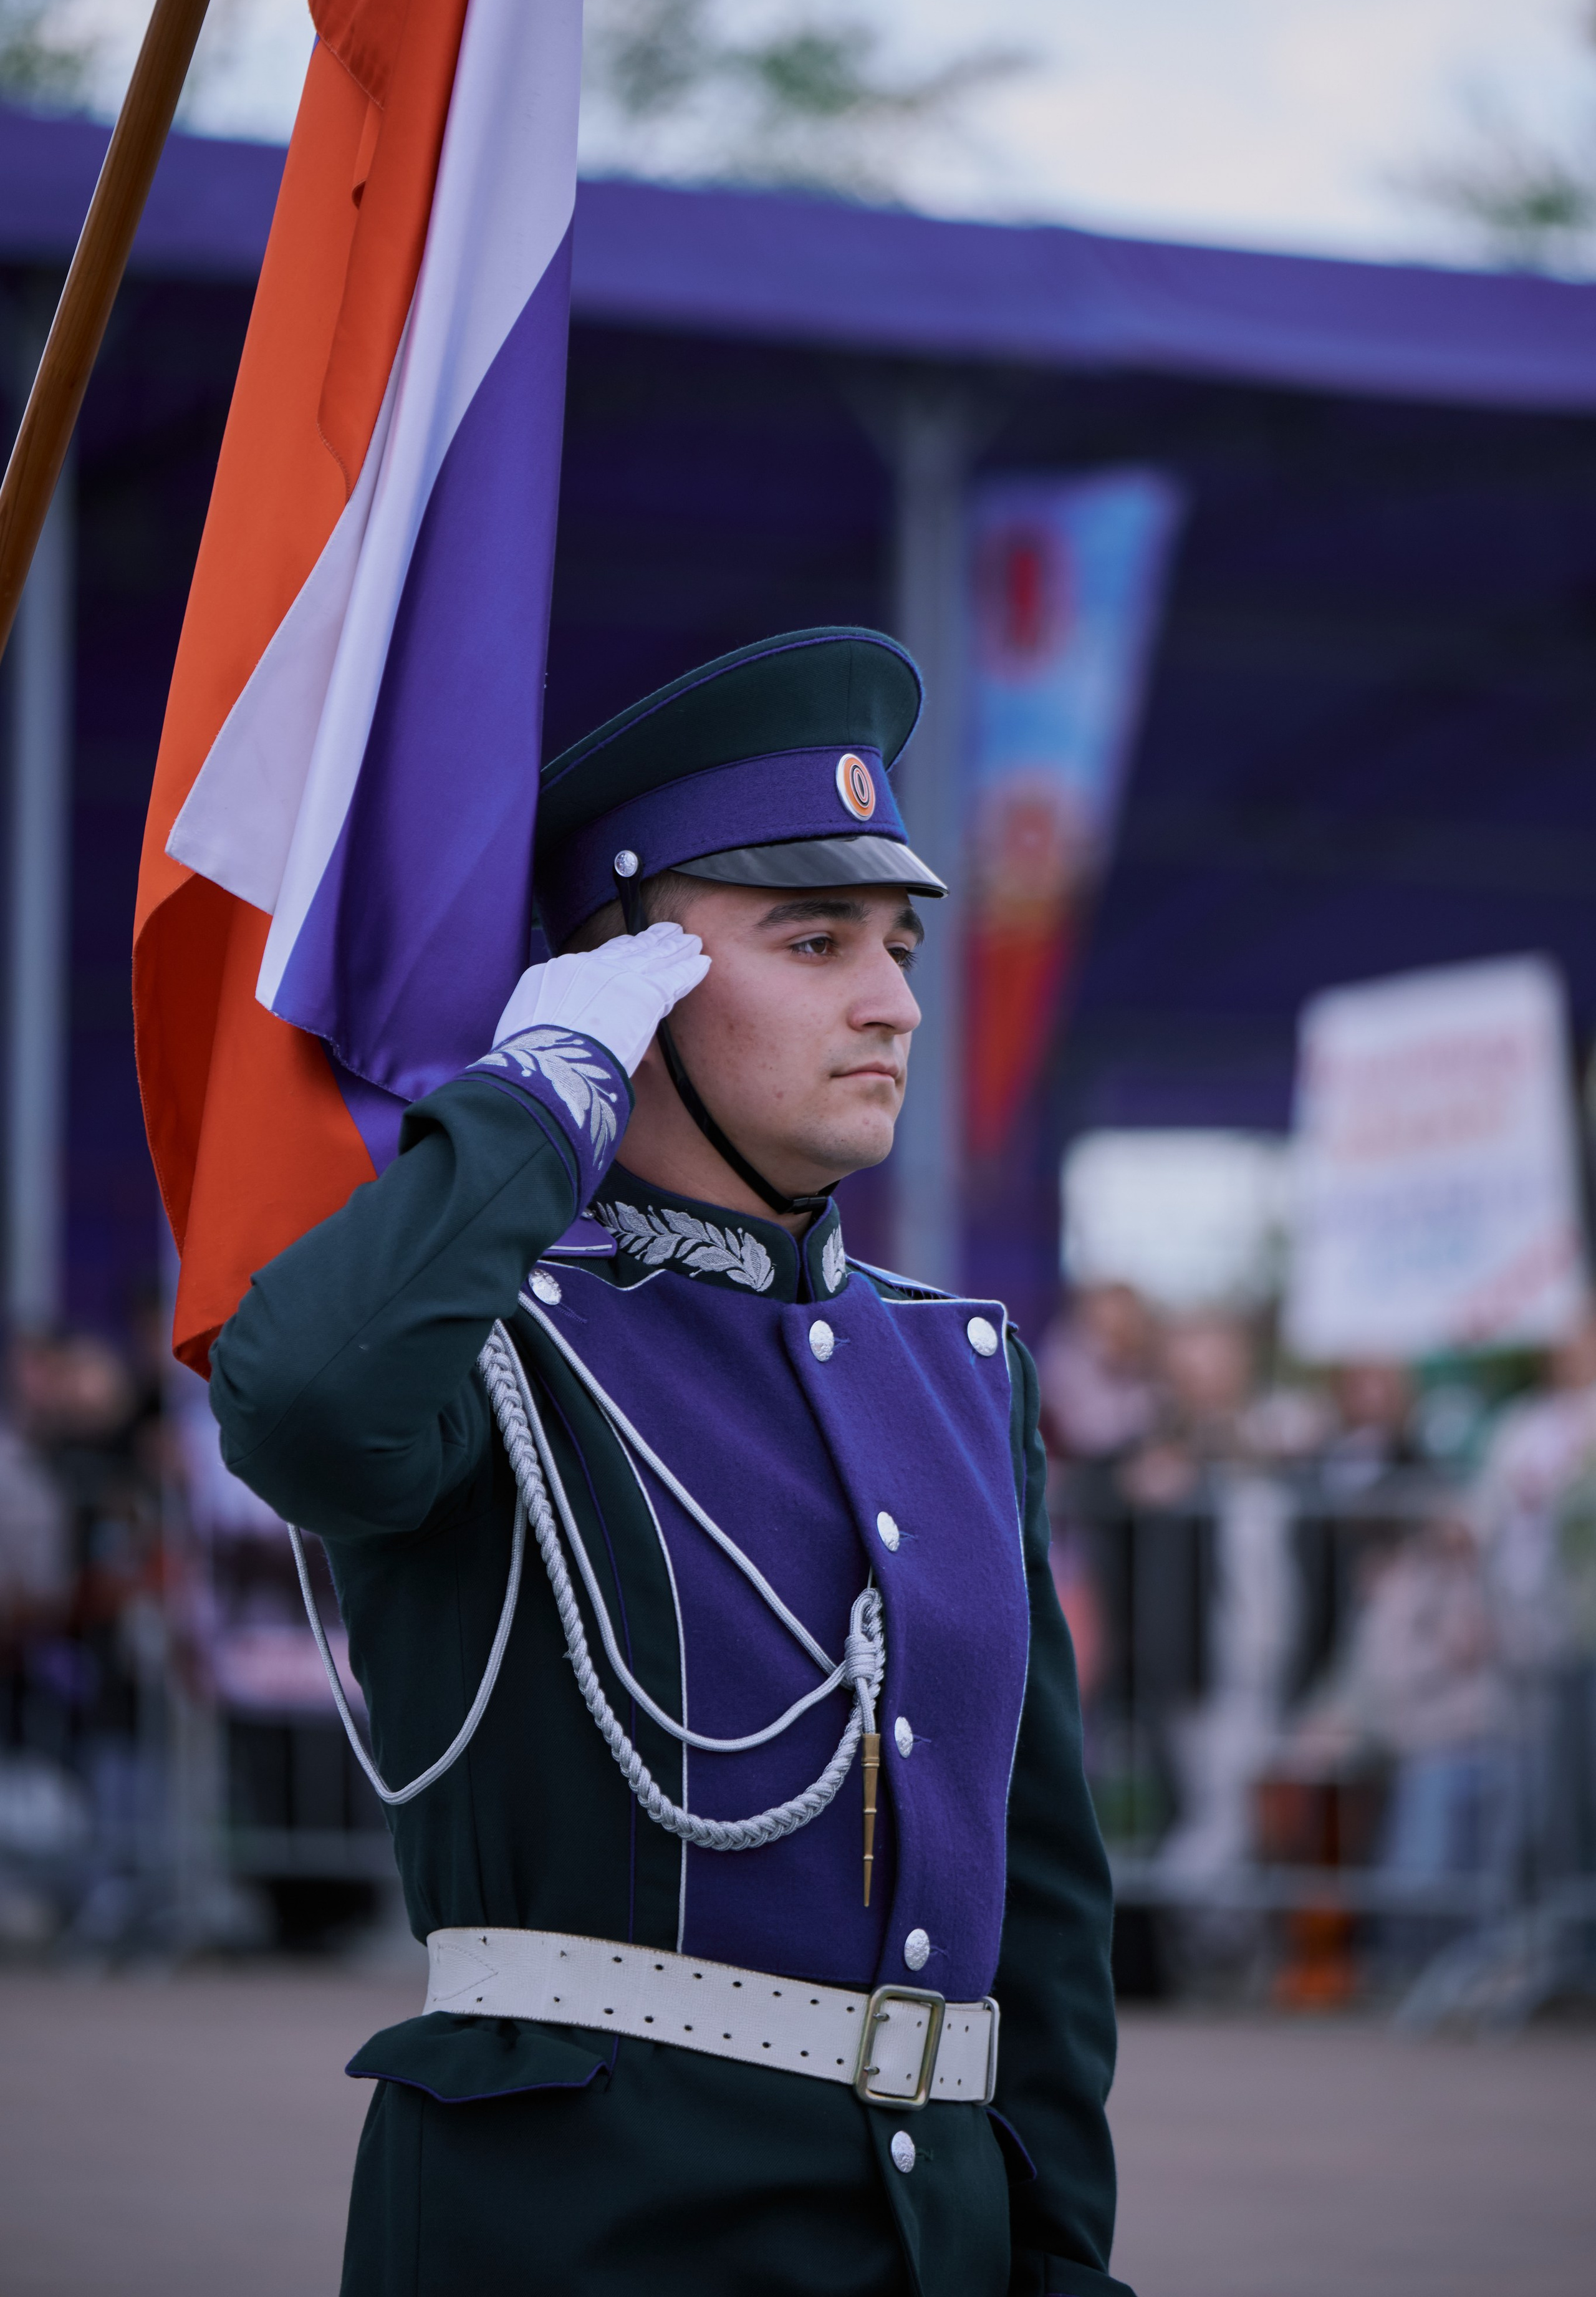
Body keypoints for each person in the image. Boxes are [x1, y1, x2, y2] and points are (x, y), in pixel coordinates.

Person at [208, 628, 1128, 2297]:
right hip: (586, 2228)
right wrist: (531, 1100)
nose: (894, 997)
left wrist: (1061, 2258)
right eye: (814, 936)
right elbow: (303, 1407)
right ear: (626, 970)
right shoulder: (495, 1329)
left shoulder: (957, 1367)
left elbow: (1044, 1912)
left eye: (900, 941)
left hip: (934, 2245)